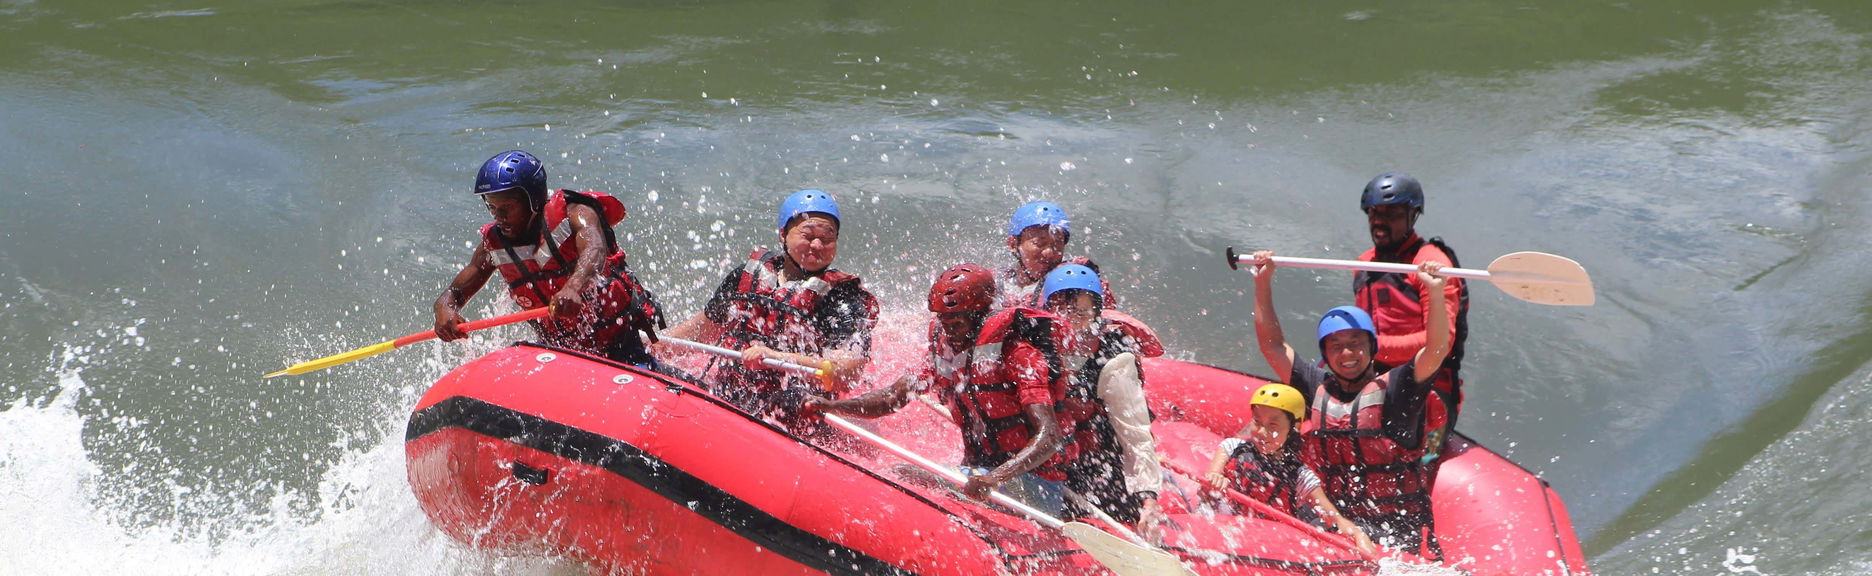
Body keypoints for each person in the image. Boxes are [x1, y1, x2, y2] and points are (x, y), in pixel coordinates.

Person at [802, 263, 1068, 514]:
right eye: (943, 321)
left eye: (957, 322)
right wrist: (833, 407)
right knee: (904, 473)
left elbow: (1050, 436)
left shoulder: (1019, 355)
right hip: (982, 473)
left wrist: (994, 478)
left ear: (982, 316)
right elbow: (891, 397)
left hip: (1032, 483)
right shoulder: (945, 352)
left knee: (908, 473)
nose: (948, 330)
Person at [1246, 249, 1452, 557]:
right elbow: (1273, 346)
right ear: (1325, 354)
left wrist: (1435, 291)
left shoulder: (1398, 387)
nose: (1347, 354)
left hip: (1396, 530)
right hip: (1336, 521)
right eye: (1337, 346)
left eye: (1356, 344)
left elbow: (1436, 350)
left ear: (1371, 347)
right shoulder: (1315, 386)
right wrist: (1263, 282)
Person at [662, 189, 879, 431]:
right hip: (731, 393)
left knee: (790, 400)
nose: (817, 245)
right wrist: (654, 346)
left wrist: (777, 358)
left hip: (794, 406)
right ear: (783, 234)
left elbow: (848, 371)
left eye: (828, 238)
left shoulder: (843, 298)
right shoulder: (748, 275)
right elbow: (703, 330)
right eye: (808, 235)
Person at [432, 150, 663, 367]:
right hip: (558, 349)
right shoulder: (492, 246)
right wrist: (444, 310)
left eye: (507, 207)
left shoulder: (576, 213)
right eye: (492, 208)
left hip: (619, 340)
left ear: (533, 199)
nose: (499, 216)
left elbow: (595, 250)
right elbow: (453, 293)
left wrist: (573, 287)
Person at [1043, 264, 1168, 544]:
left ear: (1097, 315)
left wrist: (1148, 499)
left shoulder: (1113, 359)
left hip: (1098, 470)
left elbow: (1135, 434)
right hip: (1050, 462)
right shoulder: (1035, 343)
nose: (1071, 320)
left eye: (1082, 312)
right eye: (1063, 310)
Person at [1355, 172, 1469, 440]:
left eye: (1391, 214)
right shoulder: (1364, 264)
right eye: (1374, 214)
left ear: (1413, 215)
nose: (1380, 223)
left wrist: (1372, 347)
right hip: (1376, 382)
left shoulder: (1432, 264)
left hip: (1428, 389)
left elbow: (1441, 344)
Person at [1202, 383, 1377, 557]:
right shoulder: (1231, 447)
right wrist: (1216, 479)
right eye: (1257, 421)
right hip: (1226, 528)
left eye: (1273, 425)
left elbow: (1335, 518)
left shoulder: (1301, 477)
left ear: (1294, 428)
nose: (1262, 432)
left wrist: (1358, 534)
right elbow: (1210, 479)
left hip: (1269, 543)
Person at [997, 201, 1117, 309]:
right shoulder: (996, 283)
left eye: (1057, 244)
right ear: (1013, 244)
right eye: (1039, 243)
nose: (1049, 252)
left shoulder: (1073, 281)